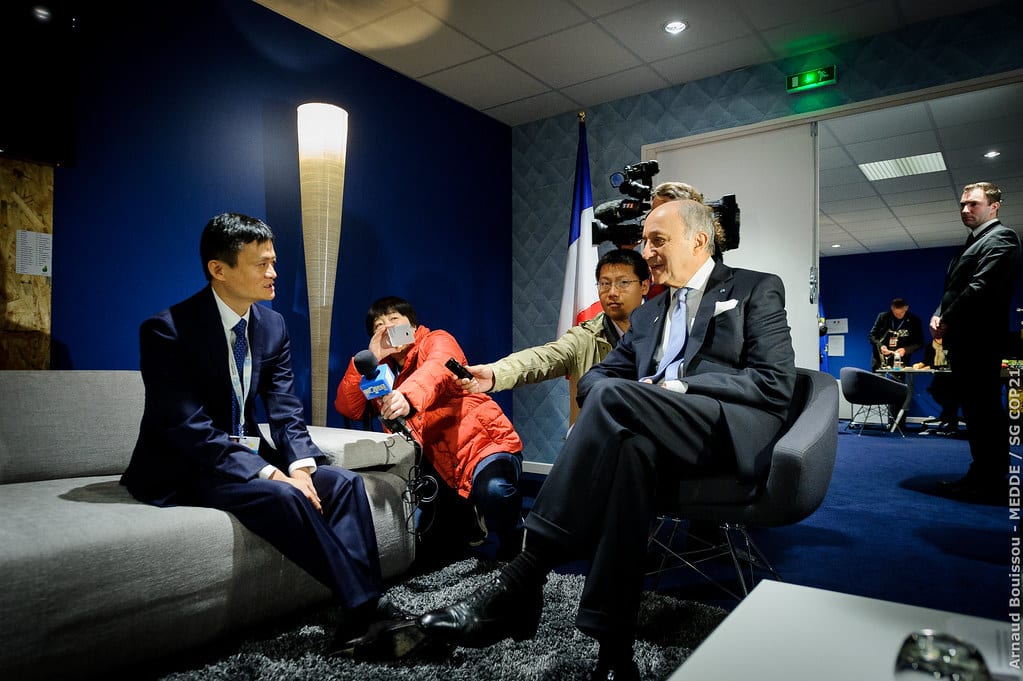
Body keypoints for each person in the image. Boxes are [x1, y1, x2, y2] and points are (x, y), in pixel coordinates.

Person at [417, 200, 796, 680]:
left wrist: (674, 387)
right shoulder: (650, 311)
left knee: (620, 400)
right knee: (630, 452)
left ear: (699, 241)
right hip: (653, 432)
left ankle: (524, 577)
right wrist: (637, 393)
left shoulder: (754, 288)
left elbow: (775, 384)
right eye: (645, 240)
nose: (648, 251)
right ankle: (614, 655)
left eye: (658, 240)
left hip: (724, 430)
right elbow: (596, 377)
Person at [120, 213, 422, 661]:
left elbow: (284, 410)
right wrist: (271, 474)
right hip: (186, 464)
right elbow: (187, 428)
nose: (273, 272)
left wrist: (299, 465)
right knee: (284, 497)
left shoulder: (272, 326)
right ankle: (366, 609)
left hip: (246, 453)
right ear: (218, 269)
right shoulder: (167, 330)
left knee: (342, 484)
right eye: (261, 264)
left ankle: (357, 619)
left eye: (274, 262)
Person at [334, 296, 524, 563]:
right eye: (379, 325)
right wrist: (368, 360)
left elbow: (437, 369)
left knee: (494, 491)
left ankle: (515, 537)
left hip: (482, 446)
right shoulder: (380, 372)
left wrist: (407, 397)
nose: (387, 329)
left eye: (394, 320)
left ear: (411, 324)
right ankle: (467, 516)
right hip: (438, 468)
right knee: (434, 552)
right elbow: (348, 407)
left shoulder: (436, 339)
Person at [458, 249, 649, 424]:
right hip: (597, 445)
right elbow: (542, 358)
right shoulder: (584, 337)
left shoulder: (663, 332)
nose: (613, 292)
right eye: (605, 283)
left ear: (645, 286)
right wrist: (495, 374)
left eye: (623, 283)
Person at [930, 181, 1022, 503]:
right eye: (963, 204)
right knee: (975, 411)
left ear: (994, 207)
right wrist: (939, 314)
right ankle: (981, 474)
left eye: (974, 204)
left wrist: (948, 319)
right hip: (963, 340)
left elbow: (980, 289)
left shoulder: (1002, 238)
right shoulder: (971, 243)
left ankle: (993, 481)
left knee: (984, 412)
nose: (966, 210)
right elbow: (954, 289)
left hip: (982, 340)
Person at [868, 297, 924, 370]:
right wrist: (880, 346)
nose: (898, 316)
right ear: (892, 308)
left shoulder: (914, 321)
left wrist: (905, 350)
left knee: (896, 381)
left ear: (906, 308)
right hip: (880, 359)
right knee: (878, 380)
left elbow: (919, 342)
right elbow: (871, 336)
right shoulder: (883, 317)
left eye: (901, 313)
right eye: (895, 313)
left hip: (900, 360)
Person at [918, 336, 959, 436]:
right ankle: (948, 420)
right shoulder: (930, 346)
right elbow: (927, 360)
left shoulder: (953, 345)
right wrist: (921, 364)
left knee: (952, 395)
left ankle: (948, 421)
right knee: (938, 391)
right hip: (940, 380)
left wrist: (931, 366)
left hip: (955, 379)